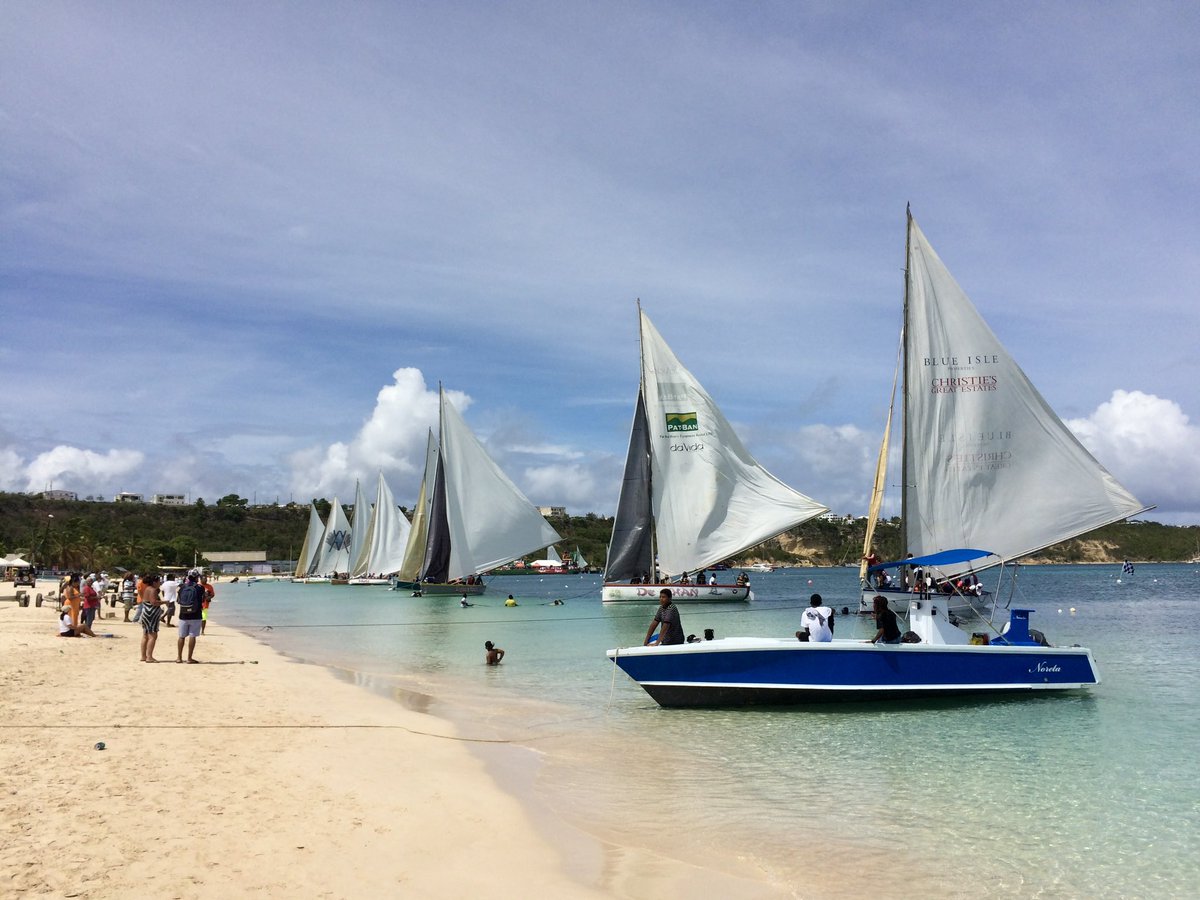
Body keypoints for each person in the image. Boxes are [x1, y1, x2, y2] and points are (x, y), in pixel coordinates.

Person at [176, 572, 204, 663]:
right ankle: (189, 658)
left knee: (181, 636)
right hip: (196, 614)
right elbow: (202, 599)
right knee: (192, 636)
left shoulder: (182, 587)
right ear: (197, 578)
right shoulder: (200, 588)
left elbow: (178, 600)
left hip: (183, 614)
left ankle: (179, 658)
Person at [139, 574, 164, 662]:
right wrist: (164, 602)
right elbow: (154, 602)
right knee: (152, 636)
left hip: (146, 613)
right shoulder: (152, 590)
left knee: (145, 635)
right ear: (154, 582)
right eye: (159, 581)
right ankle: (149, 657)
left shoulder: (147, 589)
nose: (160, 583)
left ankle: (143, 656)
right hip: (151, 615)